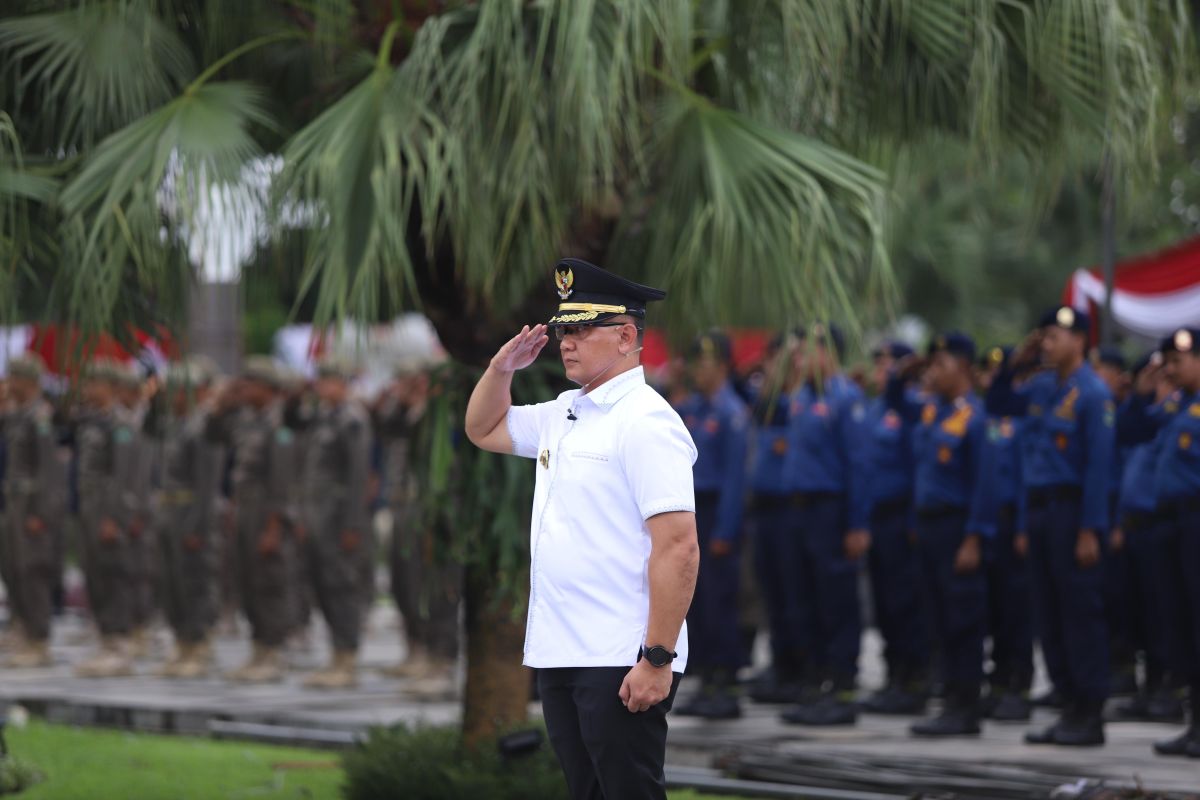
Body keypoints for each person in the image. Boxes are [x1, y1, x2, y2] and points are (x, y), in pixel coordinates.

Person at [464, 257, 699, 800]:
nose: (566, 342)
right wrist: (501, 370)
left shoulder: (646, 420)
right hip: (562, 648)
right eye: (563, 330)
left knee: (629, 792)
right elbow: (484, 428)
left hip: (620, 651)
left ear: (625, 336)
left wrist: (657, 658)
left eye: (581, 329)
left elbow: (679, 547)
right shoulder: (566, 410)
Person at [986, 306, 1115, 747]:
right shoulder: (1041, 386)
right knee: (1049, 614)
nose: (1046, 343)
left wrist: (1089, 529)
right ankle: (1067, 706)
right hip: (1039, 513)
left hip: (1071, 512)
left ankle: (1090, 712)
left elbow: (1099, 469)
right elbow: (998, 403)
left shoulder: (1094, 393)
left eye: (1055, 336)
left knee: (1079, 613)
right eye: (1043, 336)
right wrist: (1013, 364)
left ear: (1080, 340)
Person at [889, 333, 993, 737]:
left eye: (943, 364)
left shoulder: (976, 417)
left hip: (958, 528)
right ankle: (948, 699)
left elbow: (985, 485)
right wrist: (904, 374)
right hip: (930, 528)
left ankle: (966, 706)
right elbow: (897, 400)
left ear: (965, 367)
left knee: (963, 620)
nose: (935, 371)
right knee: (937, 618)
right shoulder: (932, 411)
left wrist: (974, 537)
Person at [779, 323, 871, 727]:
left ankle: (843, 685)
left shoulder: (846, 398)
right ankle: (815, 681)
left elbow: (860, 467)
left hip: (830, 511)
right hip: (798, 511)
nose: (799, 358)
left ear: (830, 353)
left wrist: (857, 524)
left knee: (836, 600)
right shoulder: (799, 396)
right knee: (804, 599)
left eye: (808, 350)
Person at [1118, 328, 1200, 758]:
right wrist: (1140, 394)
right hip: (1171, 525)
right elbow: (1131, 431)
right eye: (1166, 362)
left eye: (1179, 361)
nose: (1170, 369)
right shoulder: (1177, 406)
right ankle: (1194, 724)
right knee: (1180, 624)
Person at [205, 357, 299, 683]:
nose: (244, 389)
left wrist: (274, 527)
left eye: (251, 383)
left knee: (269, 583)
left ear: (268, 388)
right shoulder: (246, 420)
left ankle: (275, 652)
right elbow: (212, 434)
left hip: (266, 512)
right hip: (244, 510)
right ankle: (259, 648)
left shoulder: (280, 424)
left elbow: (282, 482)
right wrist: (221, 404)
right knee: (246, 582)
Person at [673, 331, 749, 719]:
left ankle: (727, 681)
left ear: (721, 367)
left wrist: (726, 531)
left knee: (721, 601)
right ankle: (707, 678)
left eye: (705, 364)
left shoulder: (731, 412)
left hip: (718, 511)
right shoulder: (693, 410)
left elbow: (737, 478)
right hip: (694, 510)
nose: (697, 372)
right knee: (697, 601)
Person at [376, 357, 462, 682]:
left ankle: (441, 657)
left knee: (437, 586)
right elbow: (385, 426)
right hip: (404, 506)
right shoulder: (406, 415)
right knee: (404, 582)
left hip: (436, 511)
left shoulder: (445, 418)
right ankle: (417, 647)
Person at [1112, 352, 1184, 723]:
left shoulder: (1180, 412)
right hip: (1137, 525)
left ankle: (1172, 690)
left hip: (1167, 521)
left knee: (1166, 614)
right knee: (1139, 613)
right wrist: (1141, 396)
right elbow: (1125, 430)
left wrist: (1167, 396)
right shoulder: (1145, 414)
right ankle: (1152, 686)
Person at [860, 340, 930, 717]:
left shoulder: (912, 406)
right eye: (879, 361)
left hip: (903, 514)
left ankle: (913, 678)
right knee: (885, 600)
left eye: (889, 362)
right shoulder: (874, 408)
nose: (881, 368)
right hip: (877, 515)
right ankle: (893, 675)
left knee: (906, 601)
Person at [297, 357, 373, 689]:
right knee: (323, 586)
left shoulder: (351, 421)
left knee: (342, 587)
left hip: (340, 517)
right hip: (319, 516)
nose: (323, 388)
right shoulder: (322, 418)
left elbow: (358, 476)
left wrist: (353, 525)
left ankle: (348, 657)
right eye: (321, 381)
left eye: (330, 381)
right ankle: (336, 654)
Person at [745, 332, 809, 705]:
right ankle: (782, 664)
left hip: (791, 509)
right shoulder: (767, 400)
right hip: (764, 508)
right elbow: (750, 396)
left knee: (793, 593)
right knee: (773, 592)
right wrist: (766, 368)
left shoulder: (800, 401)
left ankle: (799, 668)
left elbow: (782, 407)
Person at [152, 358, 225, 678]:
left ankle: (199, 643)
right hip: (169, 509)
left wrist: (197, 525)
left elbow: (208, 484)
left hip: (193, 512)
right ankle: (181, 639)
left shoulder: (204, 427)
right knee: (171, 581)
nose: (175, 395)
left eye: (181, 390)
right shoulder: (173, 424)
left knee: (195, 580)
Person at [977, 346, 1034, 722]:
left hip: (1015, 520)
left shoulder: (1027, 416)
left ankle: (1019, 683)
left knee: (1017, 608)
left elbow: (1030, 477)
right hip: (990, 522)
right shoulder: (989, 415)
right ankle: (998, 679)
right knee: (993, 605)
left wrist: (1025, 526)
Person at [73, 358, 140, 677]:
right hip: (90, 506)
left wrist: (115, 517)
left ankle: (119, 645)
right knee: (94, 573)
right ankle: (105, 639)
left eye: (94, 383)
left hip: (109, 508)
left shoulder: (120, 424)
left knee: (113, 575)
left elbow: (123, 476)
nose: (88, 389)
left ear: (112, 387)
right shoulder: (93, 422)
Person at [1, 355, 64, 668]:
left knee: (33, 571)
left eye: (13, 378)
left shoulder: (40, 417)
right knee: (15, 569)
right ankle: (25, 631)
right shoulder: (19, 415)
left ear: (27, 381)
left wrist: (41, 513)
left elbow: (49, 471)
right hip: (15, 504)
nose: (8, 384)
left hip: (32, 506)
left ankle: (39, 641)